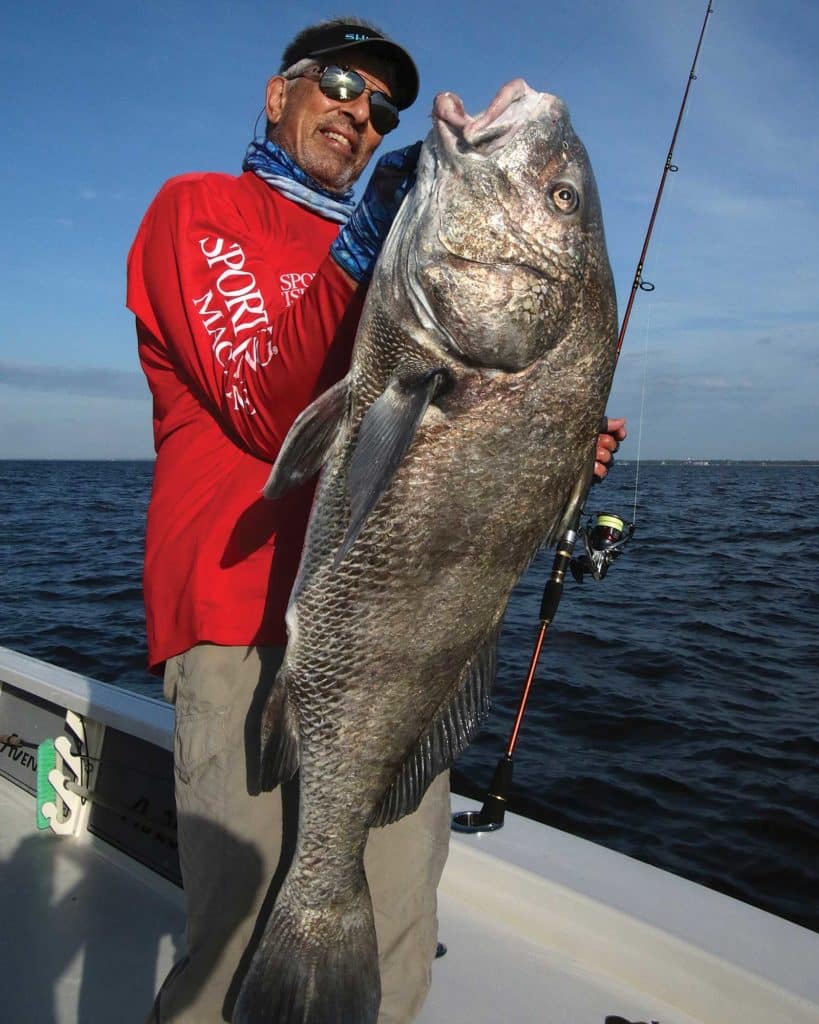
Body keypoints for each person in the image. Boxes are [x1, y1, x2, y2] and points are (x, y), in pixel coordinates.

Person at [127, 16, 626, 1024]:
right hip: (236, 626)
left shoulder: (404, 243)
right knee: (229, 951)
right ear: (278, 95)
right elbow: (267, 407)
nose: (360, 114)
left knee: (390, 952)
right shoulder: (197, 212)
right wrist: (365, 252)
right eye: (339, 85)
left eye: (381, 106)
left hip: (405, 660)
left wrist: (550, 442)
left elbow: (471, 407)